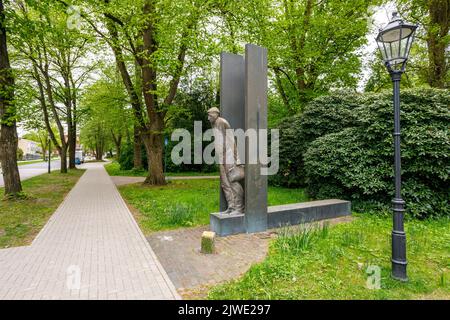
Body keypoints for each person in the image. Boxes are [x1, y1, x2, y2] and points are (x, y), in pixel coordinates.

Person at [207, 107, 244, 215]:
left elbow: (231, 140)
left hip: (229, 156)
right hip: (221, 157)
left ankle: (239, 208)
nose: (208, 118)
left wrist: (237, 158)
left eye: (210, 115)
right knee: (225, 183)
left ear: (216, 114)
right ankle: (231, 207)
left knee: (233, 182)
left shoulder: (222, 122)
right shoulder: (213, 124)